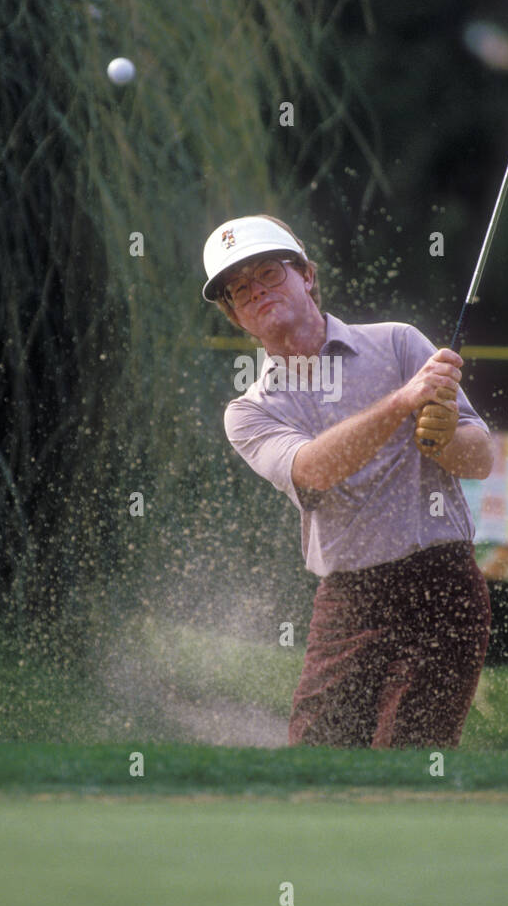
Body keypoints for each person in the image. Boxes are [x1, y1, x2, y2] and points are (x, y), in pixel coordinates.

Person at [202, 213, 493, 749]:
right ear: (237, 316)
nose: (257, 292)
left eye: (269, 273)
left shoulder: (400, 343)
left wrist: (446, 436)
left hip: (442, 583)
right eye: (240, 291)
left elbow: (480, 460)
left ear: (306, 275)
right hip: (350, 601)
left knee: (412, 759)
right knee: (316, 761)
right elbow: (312, 471)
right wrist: (404, 402)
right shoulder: (248, 411)